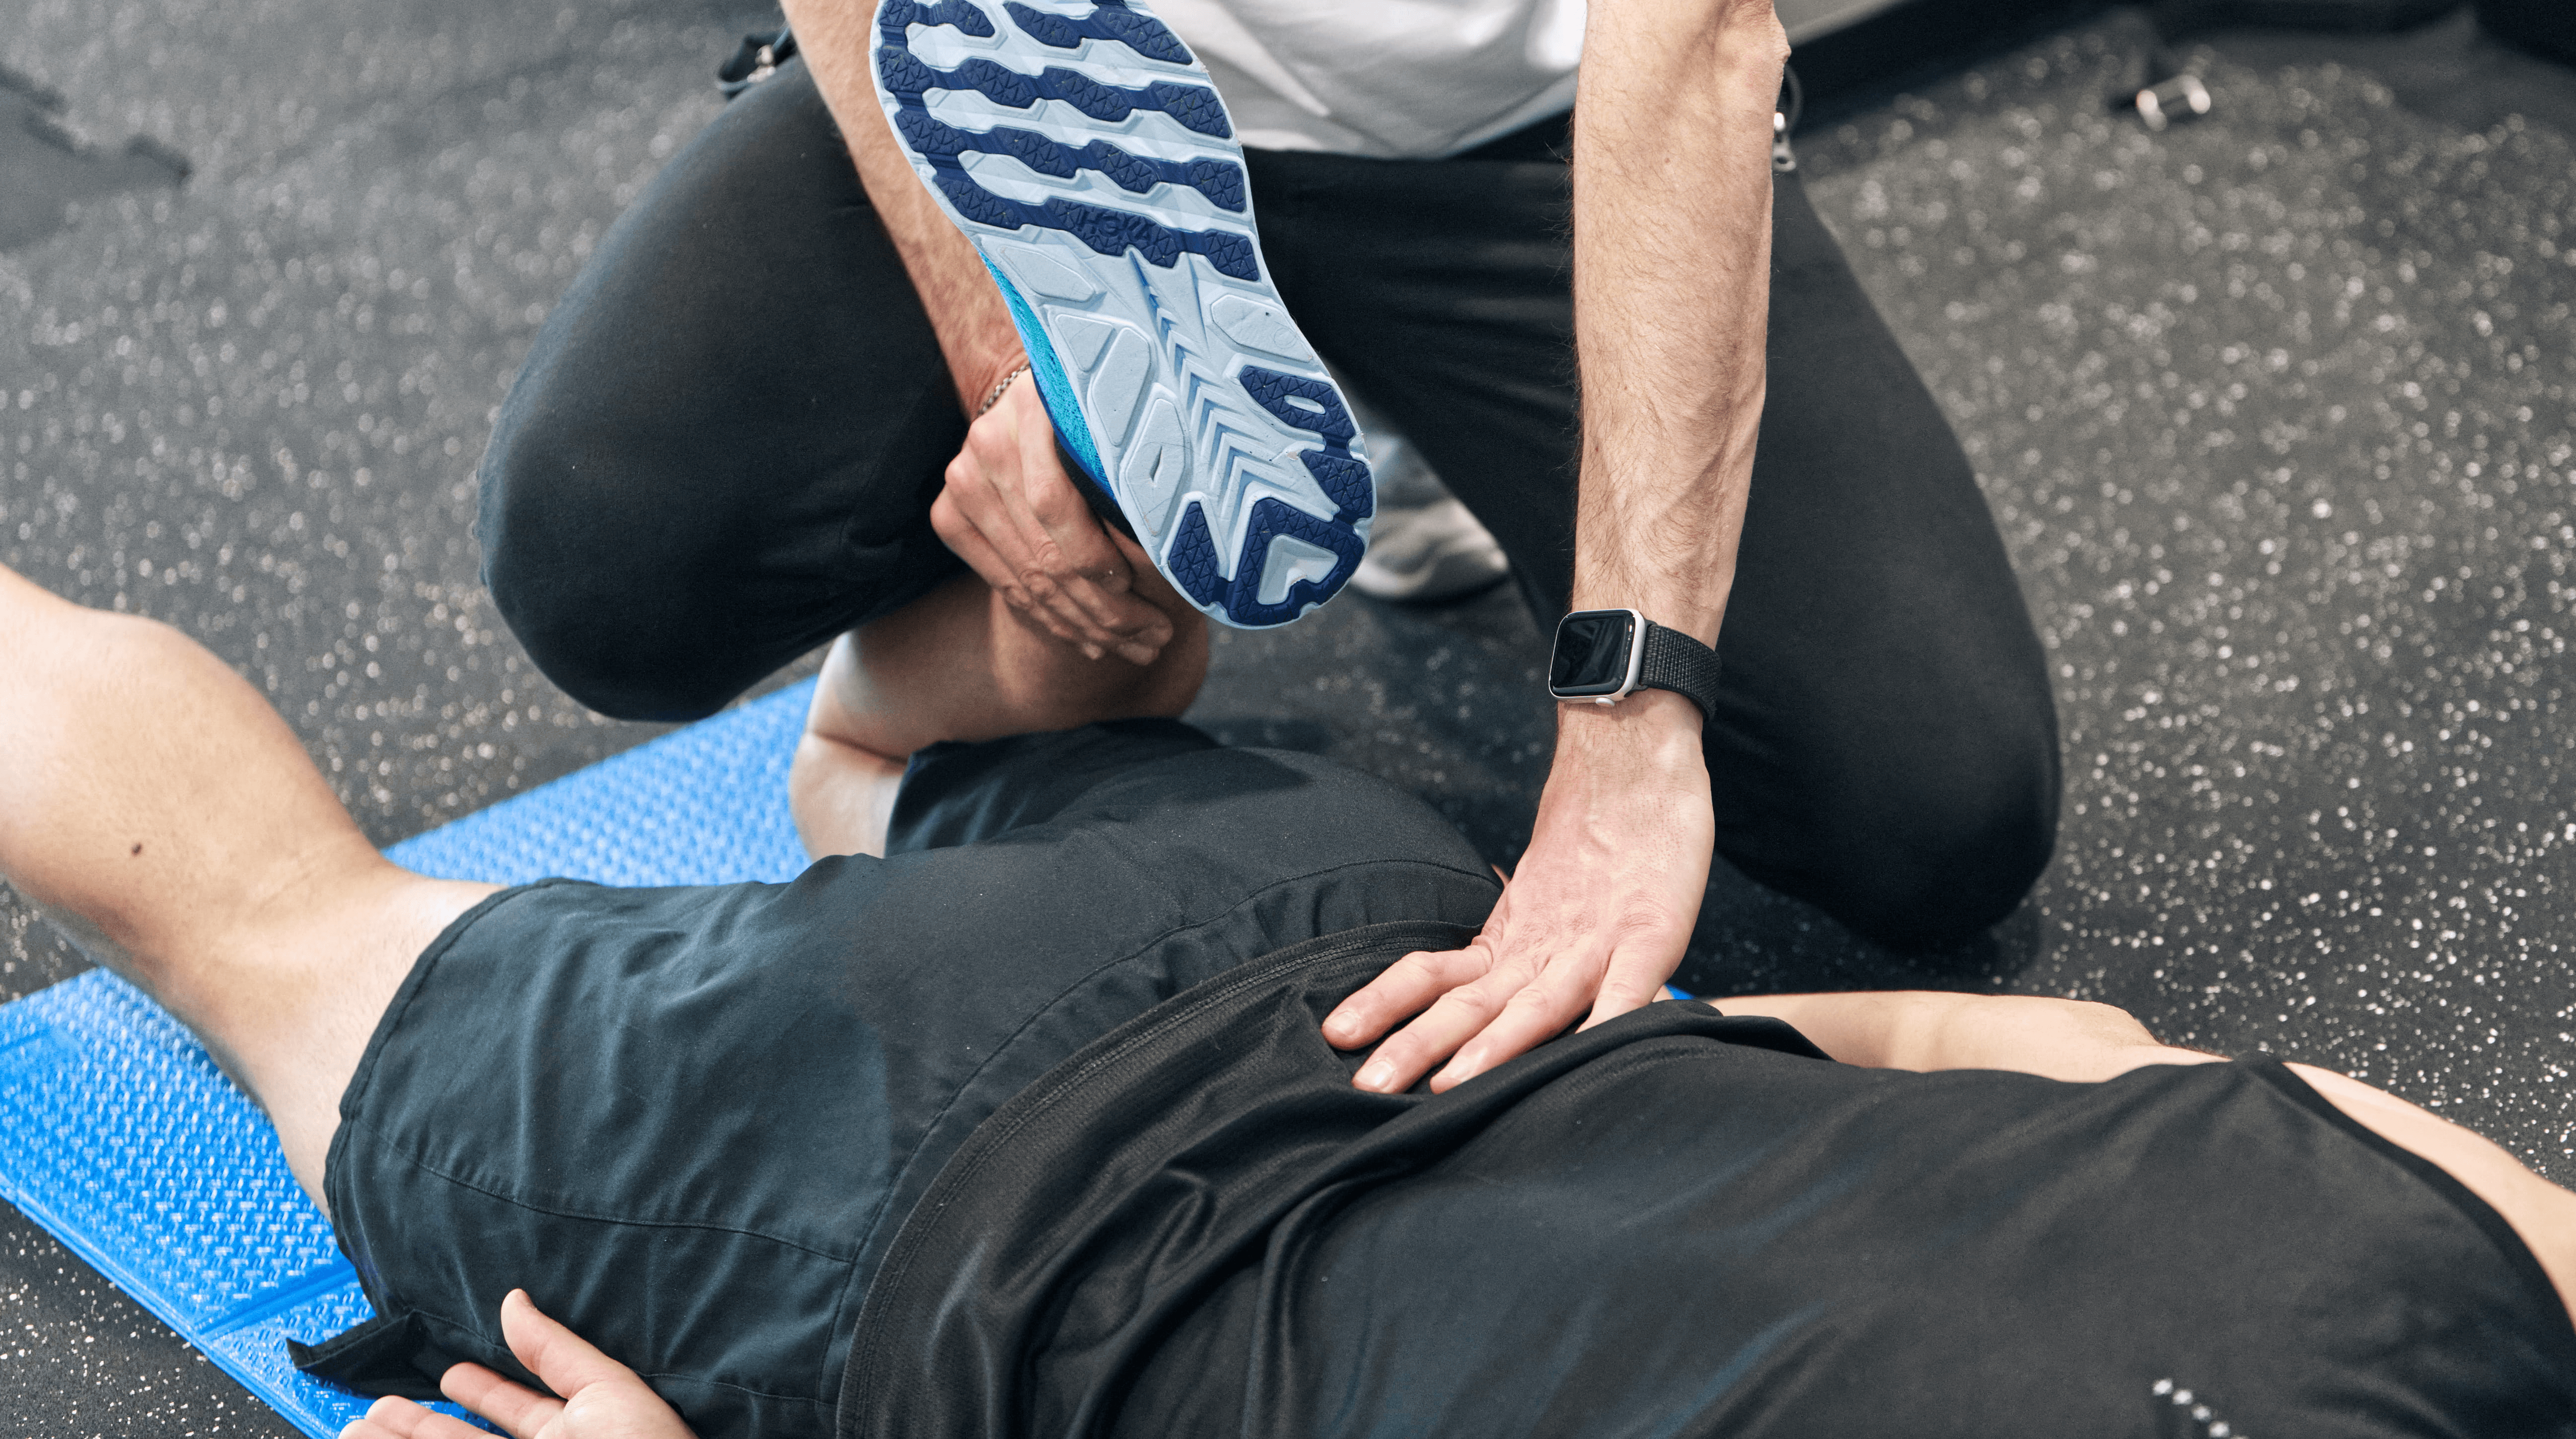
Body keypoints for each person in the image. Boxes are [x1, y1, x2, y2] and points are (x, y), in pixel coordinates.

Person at [5, 566, 2573, 1439]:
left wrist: (1620, 1039)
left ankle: (954, 679)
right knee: (286, 931)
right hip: (922, 1192)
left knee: (895, 773)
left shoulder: (2472, 1260)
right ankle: (971, 633)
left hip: (1397, 939)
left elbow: (2074, 1051)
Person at [470, 0, 2065, 1100]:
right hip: (1056, 112)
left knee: (1931, 807)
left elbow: (1691, 31)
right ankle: (1127, 487)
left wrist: (1625, 739)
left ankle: (1362, 425)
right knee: (606, 541)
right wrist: (1017, 364)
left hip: (1514, 132)